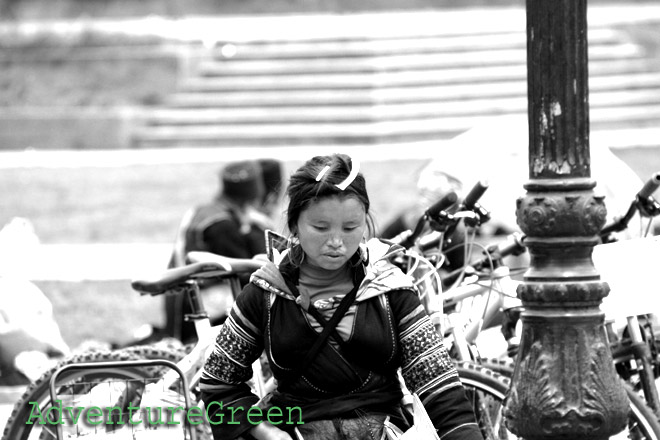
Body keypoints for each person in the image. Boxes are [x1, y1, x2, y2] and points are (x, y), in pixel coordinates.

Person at [200, 153, 483, 440]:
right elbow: (217, 382)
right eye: (321, 228)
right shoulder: (266, 293)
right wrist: (266, 432)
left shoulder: (390, 290)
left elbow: (438, 384)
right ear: (295, 223)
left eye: (350, 228)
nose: (336, 242)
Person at [165, 160, 272, 343]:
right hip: (194, 299)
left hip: (181, 295)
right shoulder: (222, 225)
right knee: (263, 299)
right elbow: (244, 272)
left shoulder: (205, 210)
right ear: (251, 197)